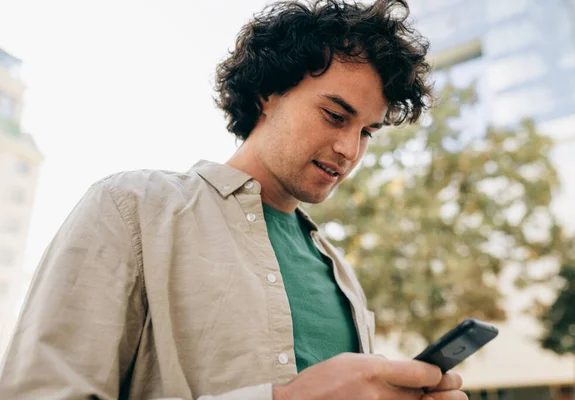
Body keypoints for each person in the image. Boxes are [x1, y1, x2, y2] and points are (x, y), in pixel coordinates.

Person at [0, 0, 468, 399]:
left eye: (366, 131)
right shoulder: (131, 208)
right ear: (268, 93)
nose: (350, 149)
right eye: (333, 115)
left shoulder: (339, 272)